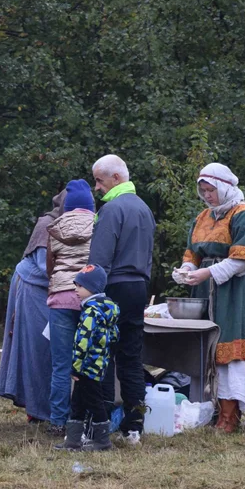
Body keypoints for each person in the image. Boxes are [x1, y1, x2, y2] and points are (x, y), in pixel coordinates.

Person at [173, 162, 245, 433]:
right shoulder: (204, 217)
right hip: (207, 287)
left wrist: (206, 273)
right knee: (208, 347)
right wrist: (186, 271)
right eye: (202, 191)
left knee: (232, 347)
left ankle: (230, 415)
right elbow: (192, 254)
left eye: (210, 190)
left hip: (238, 289)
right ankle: (207, 408)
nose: (207, 196)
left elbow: (242, 260)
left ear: (225, 187)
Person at [88, 154, 155, 446]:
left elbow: (98, 261)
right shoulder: (144, 209)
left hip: (113, 287)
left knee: (103, 356)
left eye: (99, 181)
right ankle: (134, 427)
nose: (96, 188)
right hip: (139, 288)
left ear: (116, 178)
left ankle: (99, 425)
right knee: (131, 357)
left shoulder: (112, 210)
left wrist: (90, 294)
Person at [0, 189, 65, 426]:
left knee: (47, 351)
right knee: (36, 349)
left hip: (49, 290)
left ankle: (43, 407)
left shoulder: (74, 225)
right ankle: (37, 409)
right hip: (32, 289)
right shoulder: (47, 223)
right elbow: (43, 266)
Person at [45, 180, 96, 434]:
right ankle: (87, 417)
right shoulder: (99, 225)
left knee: (61, 365)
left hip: (60, 301)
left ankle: (57, 421)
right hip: (89, 300)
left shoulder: (54, 228)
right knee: (89, 361)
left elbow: (49, 267)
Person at [55, 265, 120, 451]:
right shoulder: (107, 310)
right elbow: (115, 336)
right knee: (77, 402)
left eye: (80, 286)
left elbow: (82, 341)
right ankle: (73, 441)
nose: (76, 289)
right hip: (99, 364)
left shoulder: (91, 312)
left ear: (93, 288)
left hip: (87, 366)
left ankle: (103, 441)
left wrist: (75, 367)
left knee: (94, 402)